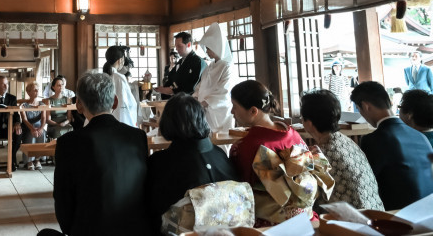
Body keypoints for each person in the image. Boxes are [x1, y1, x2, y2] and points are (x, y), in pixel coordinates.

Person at [50, 71, 150, 236]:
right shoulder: (137, 136)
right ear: (115, 102)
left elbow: (63, 201)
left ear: (79, 105)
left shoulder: (69, 143)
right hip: (136, 229)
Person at [230, 80, 326, 224]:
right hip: (306, 217)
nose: (232, 112)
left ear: (253, 111)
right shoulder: (291, 132)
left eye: (235, 107)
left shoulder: (248, 146)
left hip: (272, 224)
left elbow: (242, 189)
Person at [147, 93, 239, 235]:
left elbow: (153, 209)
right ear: (202, 118)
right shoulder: (220, 155)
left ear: (167, 122)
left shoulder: (161, 162)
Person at [351, 81, 433, 210]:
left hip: (398, 216)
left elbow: (366, 183)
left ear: (365, 106)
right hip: (428, 212)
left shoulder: (373, 139)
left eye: (359, 109)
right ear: (389, 101)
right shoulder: (420, 136)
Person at [300, 89, 384, 211]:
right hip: (375, 216)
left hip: (351, 225)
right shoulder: (347, 142)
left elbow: (307, 198)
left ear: (309, 123)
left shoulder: (321, 155)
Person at [192, 23, 235, 136]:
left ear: (217, 46)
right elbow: (200, 86)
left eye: (208, 48)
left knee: (221, 140)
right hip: (203, 110)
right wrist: (196, 98)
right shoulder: (210, 66)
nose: (206, 51)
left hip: (219, 113)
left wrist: (204, 103)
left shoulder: (227, 67)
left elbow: (223, 92)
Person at [155, 32, 206, 98]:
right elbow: (171, 78)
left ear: (188, 44)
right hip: (177, 99)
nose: (176, 49)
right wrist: (163, 89)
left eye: (179, 46)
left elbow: (192, 87)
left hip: (190, 101)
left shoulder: (198, 62)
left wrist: (172, 91)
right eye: (176, 46)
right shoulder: (180, 62)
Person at [103, 45, 138, 127]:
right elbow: (122, 104)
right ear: (120, 60)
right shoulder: (119, 78)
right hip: (118, 119)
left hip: (104, 119)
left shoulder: (103, 76)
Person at [20, 81, 47, 170]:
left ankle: (37, 159)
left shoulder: (42, 104)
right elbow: (24, 119)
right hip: (28, 126)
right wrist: (32, 129)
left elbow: (43, 118)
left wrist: (41, 128)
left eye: (37, 90)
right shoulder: (24, 105)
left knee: (42, 133)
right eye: (34, 90)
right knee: (30, 134)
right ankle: (29, 161)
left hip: (39, 126)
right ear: (28, 92)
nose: (37, 92)